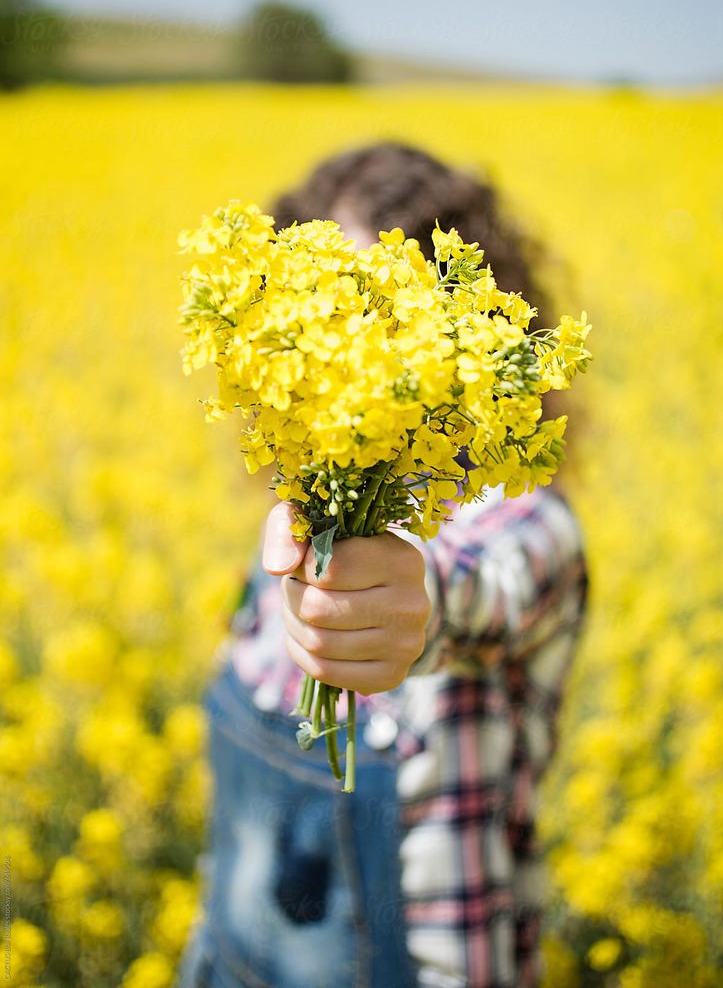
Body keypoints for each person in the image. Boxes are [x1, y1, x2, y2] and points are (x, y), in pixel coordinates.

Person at [175, 142, 589, 988]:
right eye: (317, 321)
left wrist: (419, 602)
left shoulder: (526, 525)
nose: (349, 356)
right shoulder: (293, 526)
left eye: (383, 319)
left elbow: (470, 584)